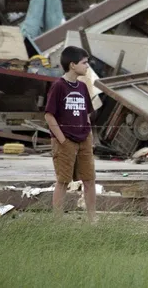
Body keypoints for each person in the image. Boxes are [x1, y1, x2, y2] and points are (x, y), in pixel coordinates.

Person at [44, 46, 96, 222]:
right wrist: (62, 140)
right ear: (73, 65)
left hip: (84, 139)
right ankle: (57, 221)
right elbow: (49, 115)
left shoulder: (82, 86)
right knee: (63, 181)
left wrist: (90, 137)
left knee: (89, 180)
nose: (87, 66)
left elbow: (87, 113)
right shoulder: (58, 86)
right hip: (65, 140)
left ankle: (92, 220)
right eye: (84, 62)